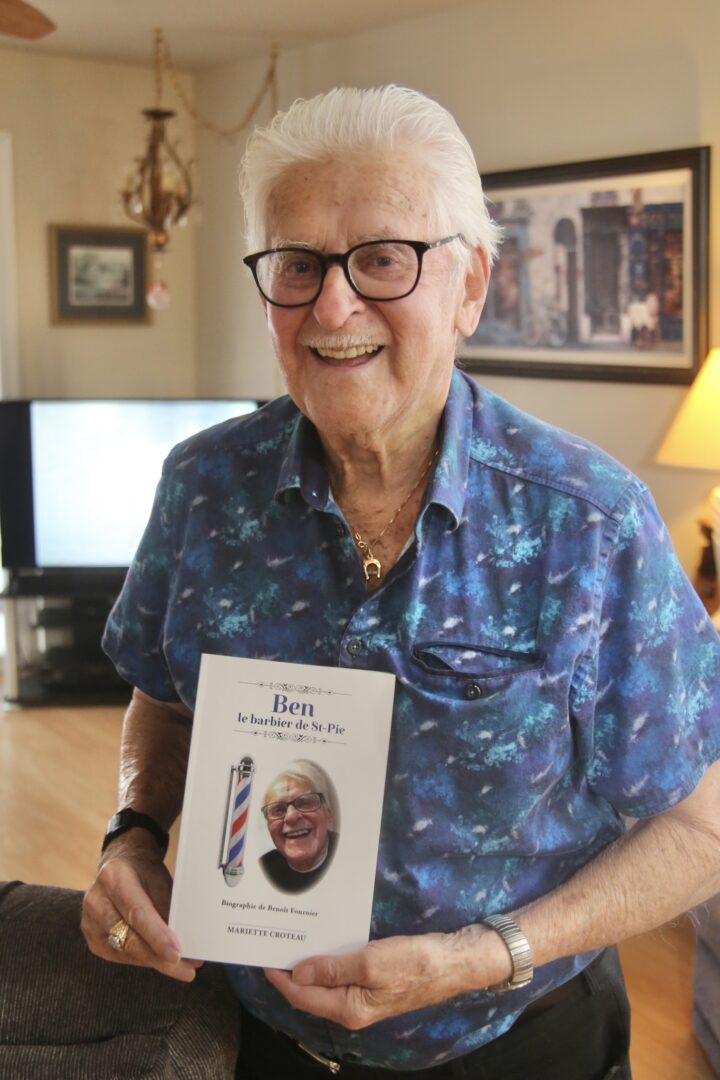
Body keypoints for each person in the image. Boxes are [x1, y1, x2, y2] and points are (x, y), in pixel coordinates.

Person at [82, 85, 720, 1080]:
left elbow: (702, 824)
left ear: (469, 287)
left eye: (384, 259)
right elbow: (162, 706)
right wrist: (131, 836)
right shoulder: (204, 491)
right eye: (297, 265)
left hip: (515, 1038)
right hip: (264, 1036)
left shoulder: (587, 525)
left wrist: (485, 955)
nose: (333, 306)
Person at [259, 761, 338, 893]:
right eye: (278, 810)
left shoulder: (350, 858)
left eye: (305, 802)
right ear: (268, 827)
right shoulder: (264, 868)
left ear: (329, 817)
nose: (291, 817)